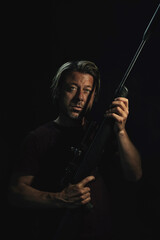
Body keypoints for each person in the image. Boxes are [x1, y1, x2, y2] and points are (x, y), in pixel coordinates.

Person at [8, 60, 142, 240]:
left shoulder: (100, 133)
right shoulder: (37, 138)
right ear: (58, 91)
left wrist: (121, 130)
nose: (80, 97)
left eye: (87, 91)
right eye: (72, 88)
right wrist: (60, 198)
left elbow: (134, 174)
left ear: (94, 96)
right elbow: (16, 192)